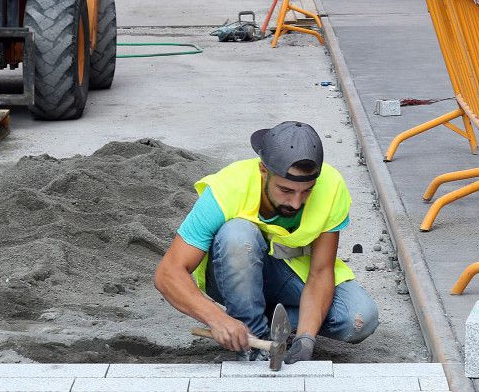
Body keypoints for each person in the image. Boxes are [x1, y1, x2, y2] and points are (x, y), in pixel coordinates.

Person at [154, 121, 379, 361]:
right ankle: (251, 341)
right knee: (238, 235)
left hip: (292, 277)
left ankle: (267, 325)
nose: (295, 203)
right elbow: (168, 273)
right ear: (264, 171)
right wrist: (217, 319)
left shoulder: (331, 187)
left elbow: (321, 271)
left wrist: (306, 338)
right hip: (232, 278)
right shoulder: (228, 188)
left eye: (306, 191)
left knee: (359, 317)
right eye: (286, 190)